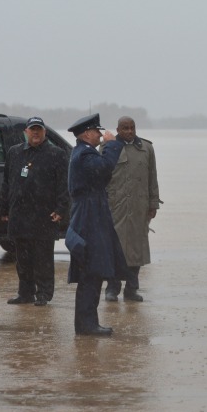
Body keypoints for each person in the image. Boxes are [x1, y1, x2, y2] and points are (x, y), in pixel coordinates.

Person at [64, 113, 128, 336]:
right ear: (87, 134)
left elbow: (101, 176)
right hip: (89, 216)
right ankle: (86, 325)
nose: (101, 134)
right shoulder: (84, 155)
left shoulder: (83, 153)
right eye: (97, 131)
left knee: (93, 272)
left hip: (91, 212)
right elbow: (105, 168)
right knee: (91, 273)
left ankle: (87, 323)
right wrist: (111, 145)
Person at [0, 116, 69, 306]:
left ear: (45, 132)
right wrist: (4, 208)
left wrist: (61, 209)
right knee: (22, 259)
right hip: (20, 215)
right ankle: (25, 293)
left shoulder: (57, 154)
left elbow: (64, 185)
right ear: (26, 132)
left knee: (43, 258)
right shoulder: (15, 153)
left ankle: (44, 293)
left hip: (44, 215)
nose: (36, 133)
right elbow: (6, 183)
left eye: (39, 129)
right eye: (32, 129)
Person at [103, 116, 160, 303]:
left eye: (132, 127)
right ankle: (112, 288)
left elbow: (152, 178)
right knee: (114, 249)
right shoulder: (107, 148)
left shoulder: (146, 148)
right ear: (118, 129)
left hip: (139, 208)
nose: (129, 131)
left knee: (137, 250)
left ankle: (132, 289)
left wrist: (153, 204)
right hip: (115, 207)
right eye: (125, 128)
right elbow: (100, 177)